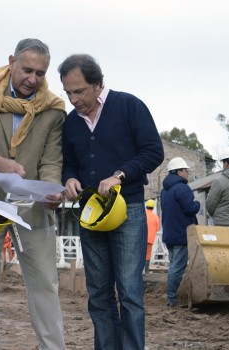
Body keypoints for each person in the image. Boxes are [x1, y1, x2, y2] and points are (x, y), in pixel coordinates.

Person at [0, 38, 67, 350]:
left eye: (40, 73)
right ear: (11, 62)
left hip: (34, 209)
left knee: (46, 286)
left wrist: (51, 189)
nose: (32, 79)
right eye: (26, 70)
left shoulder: (52, 109)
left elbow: (51, 159)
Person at [59, 53, 164, 350]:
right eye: (68, 93)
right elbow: (68, 162)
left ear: (98, 84)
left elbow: (153, 152)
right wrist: (68, 179)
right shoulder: (71, 123)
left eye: (79, 91)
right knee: (98, 294)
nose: (74, 99)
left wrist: (120, 174)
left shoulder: (129, 106)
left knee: (130, 292)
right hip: (90, 214)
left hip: (127, 210)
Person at [160, 157, 200, 307]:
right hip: (181, 234)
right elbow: (190, 208)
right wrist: (197, 204)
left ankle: (171, 296)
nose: (187, 173)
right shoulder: (182, 188)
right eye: (185, 170)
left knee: (173, 266)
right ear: (178, 172)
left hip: (169, 234)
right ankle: (172, 298)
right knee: (178, 267)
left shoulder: (165, 190)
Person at [144, 199, 160, 274]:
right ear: (153, 208)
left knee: (139, 254)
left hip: (140, 238)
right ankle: (146, 271)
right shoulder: (155, 217)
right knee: (147, 255)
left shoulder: (142, 214)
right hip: (150, 239)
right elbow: (157, 229)